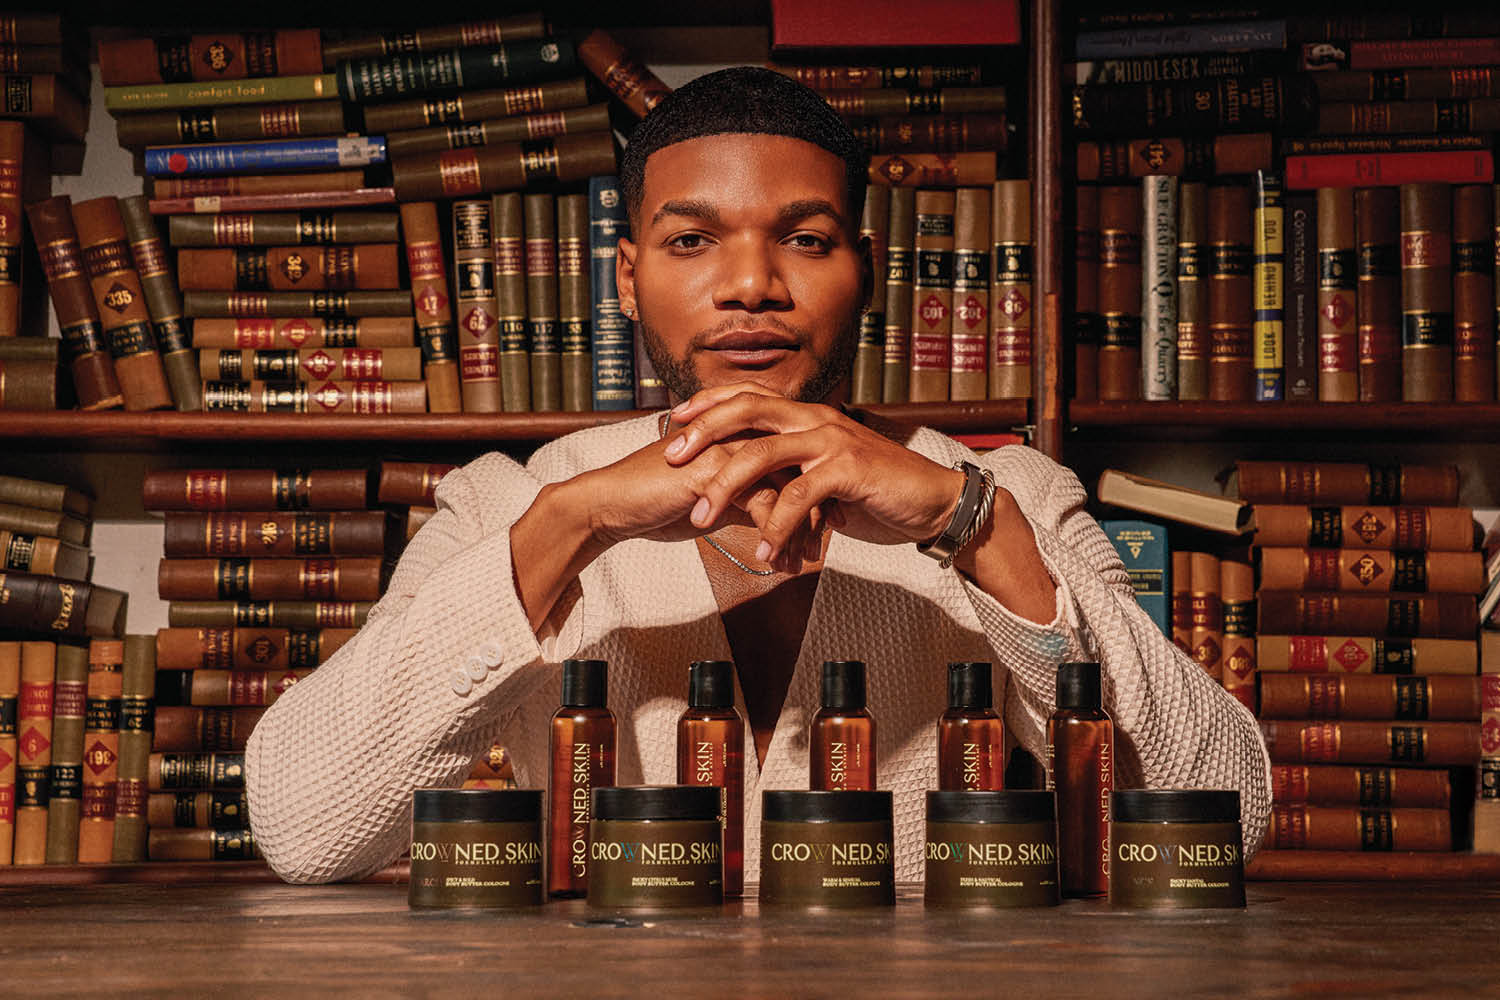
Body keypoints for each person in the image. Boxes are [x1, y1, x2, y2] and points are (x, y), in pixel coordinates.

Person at [245, 67, 1271, 884]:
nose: (750, 285)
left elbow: (1228, 813)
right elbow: (302, 826)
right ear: (629, 277)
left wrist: (970, 523)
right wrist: (575, 523)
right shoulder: (509, 506)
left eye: (805, 240)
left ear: (863, 269)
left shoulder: (1015, 502)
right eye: (692, 240)